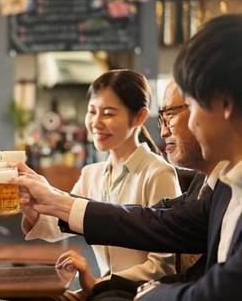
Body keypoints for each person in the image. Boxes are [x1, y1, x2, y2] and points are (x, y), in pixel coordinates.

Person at [16, 14, 242, 300]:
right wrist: (45, 202)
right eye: (92, 112)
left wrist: (110, 287)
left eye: (189, 106)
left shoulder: (163, 172)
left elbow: (204, 282)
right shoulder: (225, 187)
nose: (187, 123)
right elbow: (152, 221)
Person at [20, 70, 181, 295]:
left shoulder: (158, 173)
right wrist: (31, 207)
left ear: (140, 117)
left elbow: (163, 266)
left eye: (108, 113)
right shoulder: (92, 174)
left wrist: (100, 284)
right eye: (92, 111)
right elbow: (61, 223)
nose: (96, 122)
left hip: (137, 295)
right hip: (104, 291)